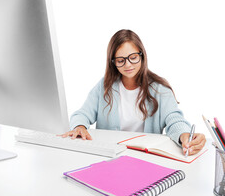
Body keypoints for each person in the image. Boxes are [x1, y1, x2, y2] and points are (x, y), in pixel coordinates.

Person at [62, 29, 206, 156]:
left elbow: (174, 119)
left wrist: (184, 135)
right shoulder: (104, 86)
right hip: (111, 156)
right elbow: (82, 114)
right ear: (113, 62)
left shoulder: (160, 89)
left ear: (142, 55)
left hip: (145, 157)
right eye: (120, 60)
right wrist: (79, 127)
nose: (128, 65)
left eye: (133, 57)